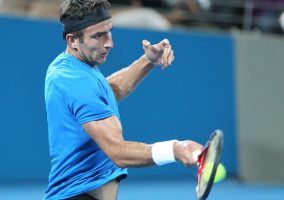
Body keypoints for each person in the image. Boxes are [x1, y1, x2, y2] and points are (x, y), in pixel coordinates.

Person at [44, 0, 203, 199]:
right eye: (98, 36)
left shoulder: (75, 66)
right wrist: (174, 149)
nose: (110, 43)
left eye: (109, 32)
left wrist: (147, 61)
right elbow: (118, 152)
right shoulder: (73, 80)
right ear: (72, 40)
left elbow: (108, 92)